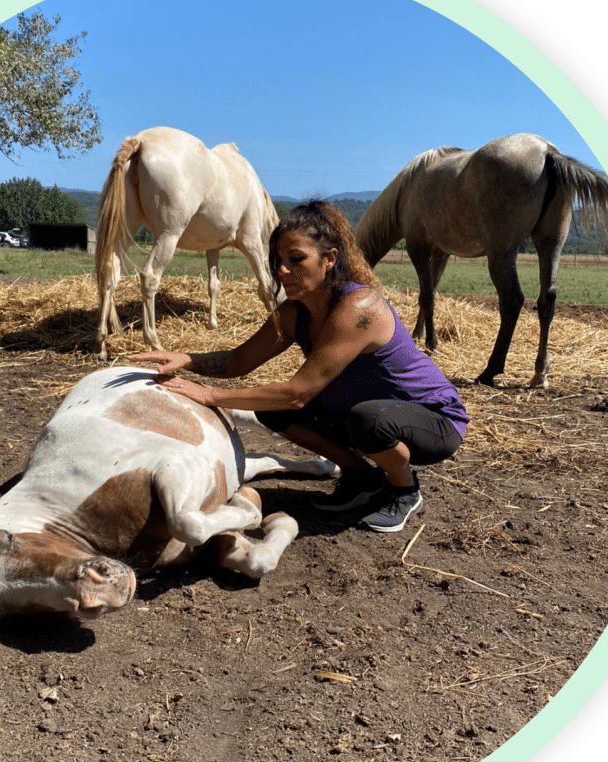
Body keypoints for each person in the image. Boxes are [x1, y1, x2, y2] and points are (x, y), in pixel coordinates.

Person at [126, 201, 468, 532]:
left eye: (296, 259)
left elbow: (297, 394)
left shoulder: (360, 307)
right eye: (278, 260)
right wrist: (186, 359)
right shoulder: (295, 312)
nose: (282, 270)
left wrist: (209, 395)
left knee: (368, 420)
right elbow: (238, 361)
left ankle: (404, 489)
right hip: (360, 415)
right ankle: (361, 476)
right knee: (272, 411)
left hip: (433, 421)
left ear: (329, 259)